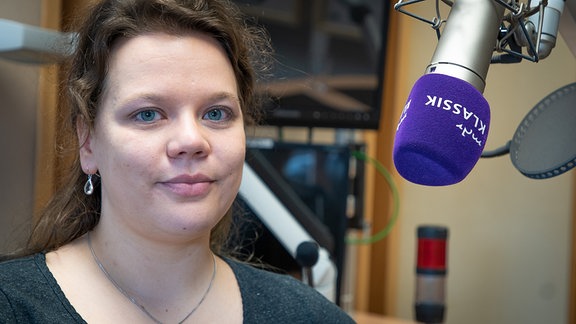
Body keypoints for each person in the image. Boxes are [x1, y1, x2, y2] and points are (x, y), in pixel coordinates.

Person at [0, 0, 356, 323]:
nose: (191, 140)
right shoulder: (13, 307)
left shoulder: (309, 316)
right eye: (148, 114)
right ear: (88, 141)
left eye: (216, 113)